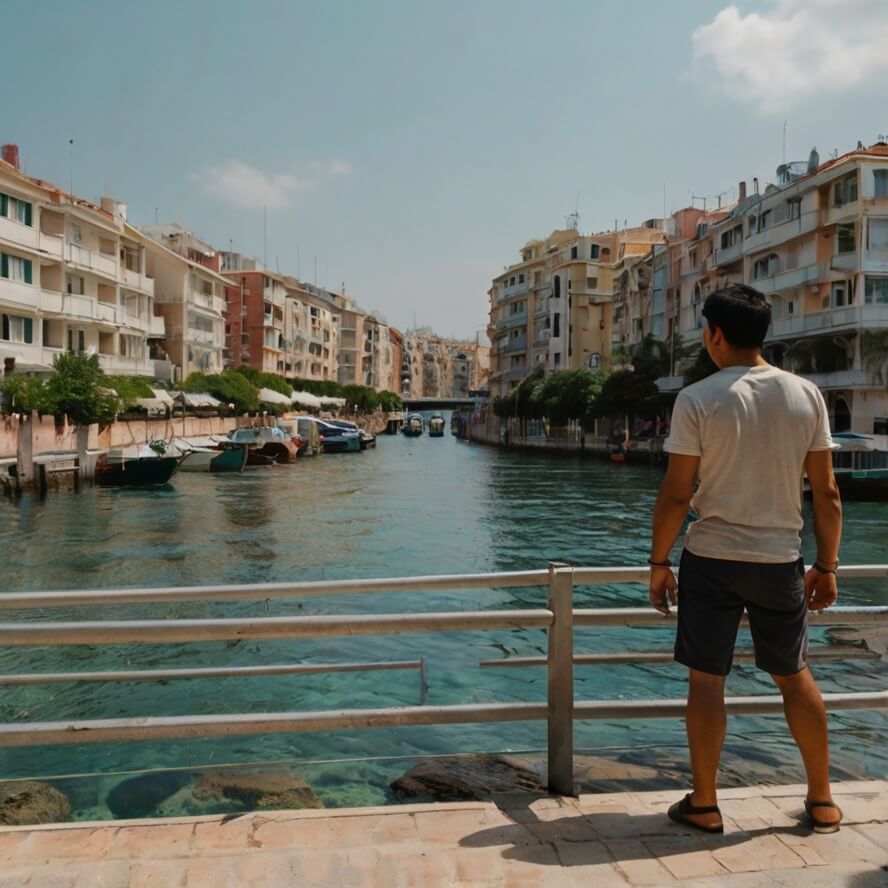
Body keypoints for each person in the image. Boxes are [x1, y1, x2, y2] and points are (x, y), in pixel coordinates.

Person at [648, 283, 843, 835]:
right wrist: (827, 566)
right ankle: (822, 800)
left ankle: (705, 804)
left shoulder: (697, 399)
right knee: (794, 676)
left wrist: (658, 562)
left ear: (715, 335)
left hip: (711, 558)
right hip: (781, 559)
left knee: (707, 680)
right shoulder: (806, 395)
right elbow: (827, 493)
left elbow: (677, 494)